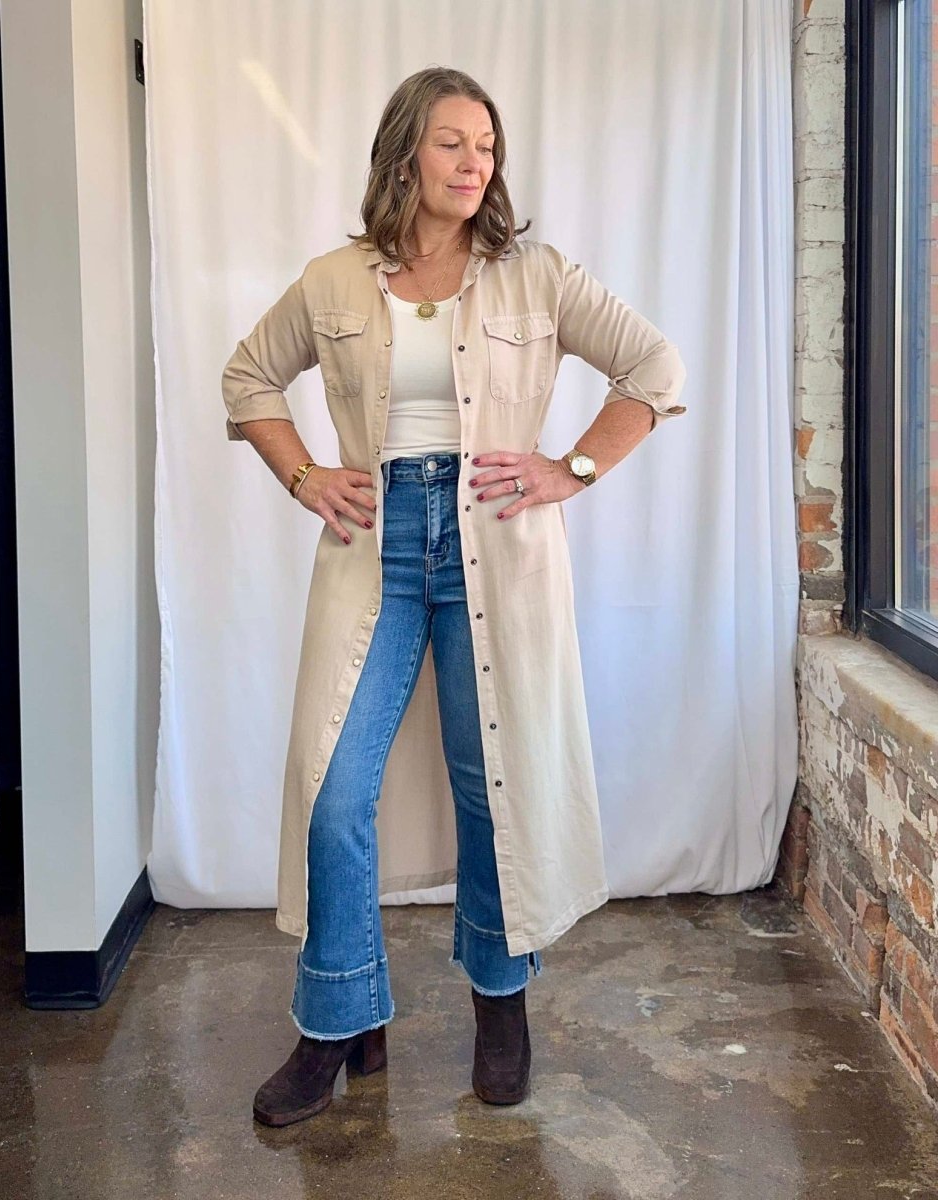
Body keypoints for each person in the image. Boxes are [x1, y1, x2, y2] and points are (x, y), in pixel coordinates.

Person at [221, 66, 687, 1127]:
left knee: (495, 790)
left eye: (487, 146)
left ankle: (501, 1005)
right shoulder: (337, 281)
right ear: (404, 156)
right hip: (375, 547)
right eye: (453, 143)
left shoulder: (536, 275)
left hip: (495, 552)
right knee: (337, 792)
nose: (477, 162)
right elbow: (248, 379)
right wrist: (305, 476)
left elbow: (652, 368)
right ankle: (339, 1020)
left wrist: (570, 468)